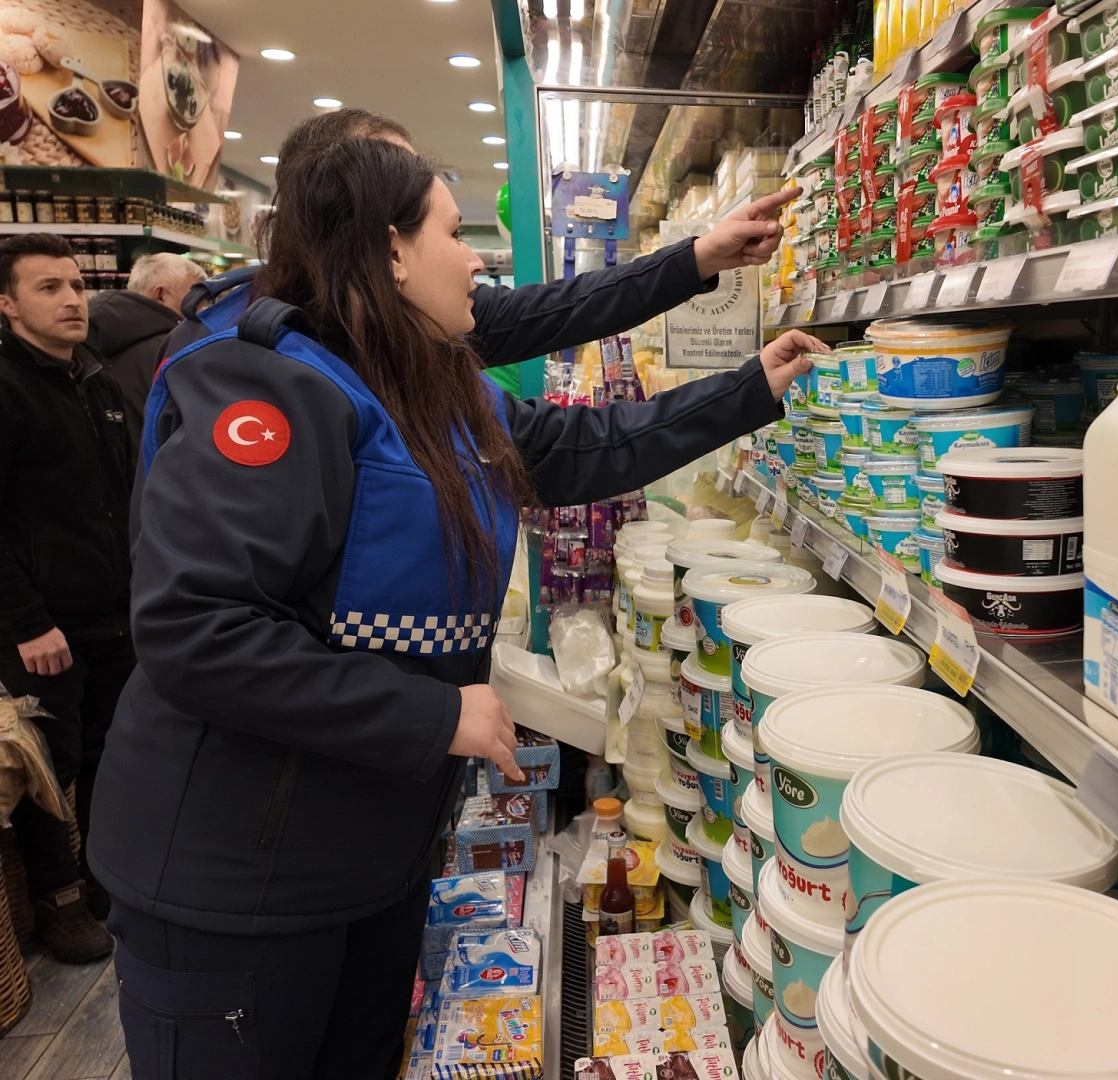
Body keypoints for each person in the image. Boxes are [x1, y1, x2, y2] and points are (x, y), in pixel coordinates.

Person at [91, 136, 823, 1079]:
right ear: (389, 252)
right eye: (452, 227)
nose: (478, 255)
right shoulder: (267, 387)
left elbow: (577, 445)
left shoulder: (434, 382)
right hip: (234, 880)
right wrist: (435, 712)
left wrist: (749, 389)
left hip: (367, 856)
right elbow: (196, 630)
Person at [168, 108, 796, 375]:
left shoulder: (413, 323)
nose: (470, 258)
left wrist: (697, 257)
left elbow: (561, 308)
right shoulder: (256, 361)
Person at [0, 233, 129, 963]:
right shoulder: (8, 388)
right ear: (7, 304)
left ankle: (102, 879)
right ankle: (58, 903)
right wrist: (27, 621)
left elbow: (121, 498)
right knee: (50, 768)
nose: (73, 299)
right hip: (40, 627)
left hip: (112, 614)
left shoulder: (97, 380)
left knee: (110, 753)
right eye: (48, 287)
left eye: (76, 285)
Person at [88, 252, 206, 453]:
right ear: (160, 294)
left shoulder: (86, 341)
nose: (203, 310)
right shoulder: (177, 350)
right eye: (196, 300)